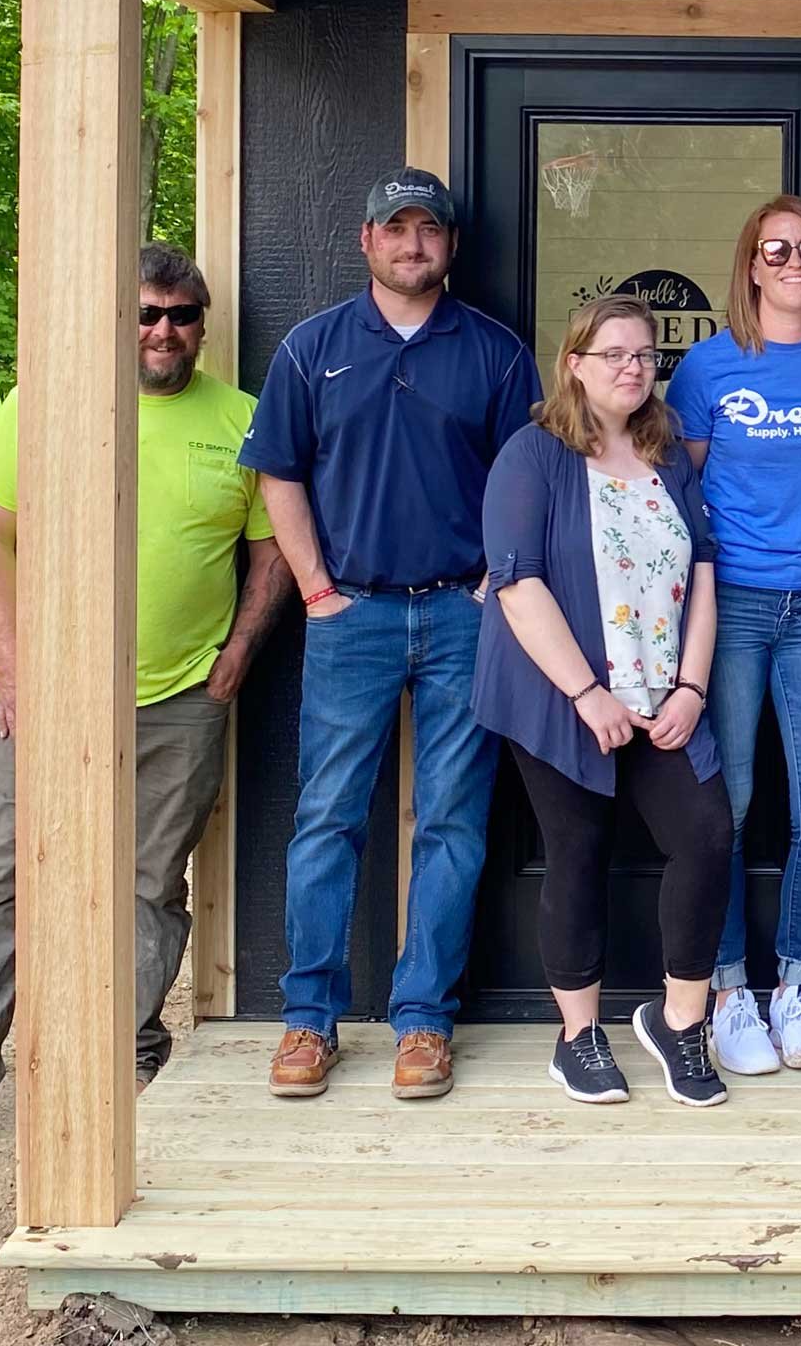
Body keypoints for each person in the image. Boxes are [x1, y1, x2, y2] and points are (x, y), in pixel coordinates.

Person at [0, 246, 289, 1160]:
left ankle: (127, 1064)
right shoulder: (47, 405)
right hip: (51, 697)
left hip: (181, 697)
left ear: (202, 326)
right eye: (144, 313)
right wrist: (16, 670)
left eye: (180, 314)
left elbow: (272, 550)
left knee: (146, 890)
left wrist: (238, 656)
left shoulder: (243, 423)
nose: (162, 330)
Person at [239, 168, 541, 1103]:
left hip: (463, 614)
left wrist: (496, 580)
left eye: (430, 230)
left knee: (452, 822)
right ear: (367, 241)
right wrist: (316, 586)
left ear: (451, 245)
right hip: (352, 615)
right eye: (396, 229)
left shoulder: (494, 352)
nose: (414, 244)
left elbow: (525, 471)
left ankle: (423, 1023)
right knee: (329, 817)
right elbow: (278, 474)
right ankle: (309, 1020)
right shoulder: (311, 348)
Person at [475, 294, 733, 1108]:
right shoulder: (534, 454)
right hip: (563, 695)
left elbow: (703, 574)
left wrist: (691, 686)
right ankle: (578, 1037)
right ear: (575, 365)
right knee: (577, 851)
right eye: (613, 353)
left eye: (644, 354)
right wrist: (587, 694)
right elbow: (517, 585)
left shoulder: (669, 458)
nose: (632, 367)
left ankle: (679, 1022)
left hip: (663, 695)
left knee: (707, 837)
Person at [667, 196, 801, 1077]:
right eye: (777, 250)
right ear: (751, 265)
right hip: (735, 606)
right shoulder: (708, 370)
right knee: (728, 811)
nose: (796, 263)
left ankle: (794, 987)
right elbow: (680, 493)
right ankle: (728, 994)